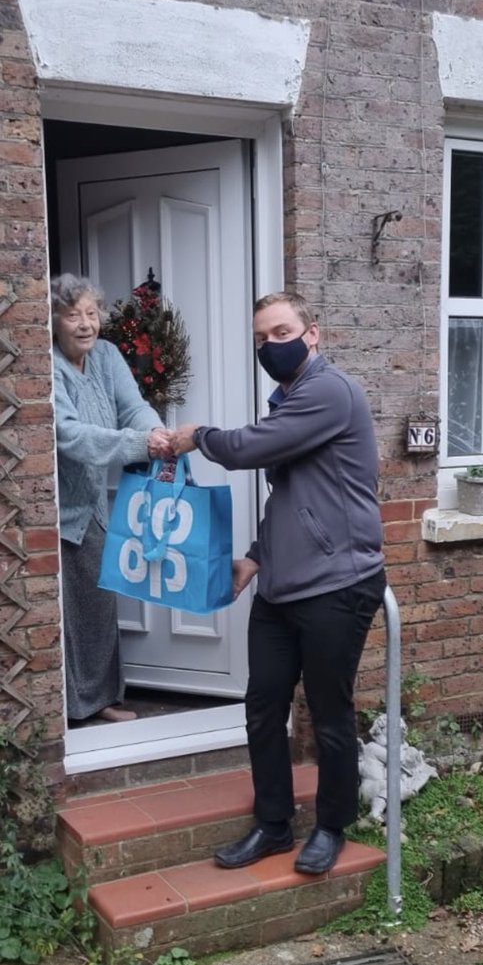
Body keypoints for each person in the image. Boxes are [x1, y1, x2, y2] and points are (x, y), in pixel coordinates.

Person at [170, 291, 386, 875]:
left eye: (282, 332)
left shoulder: (328, 392)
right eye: (261, 339)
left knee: (328, 710)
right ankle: (272, 824)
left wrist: (199, 436)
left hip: (338, 583)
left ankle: (333, 827)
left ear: (312, 333)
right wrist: (257, 556)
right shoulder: (288, 400)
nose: (272, 345)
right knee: (264, 706)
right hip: (282, 587)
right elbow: (292, 498)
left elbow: (250, 449)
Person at [52, 274, 173, 724]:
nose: (85, 324)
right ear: (54, 322)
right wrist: (139, 444)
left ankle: (100, 701)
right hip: (56, 508)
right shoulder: (48, 367)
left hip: (94, 507)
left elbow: (133, 405)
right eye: (72, 315)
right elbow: (69, 435)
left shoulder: (105, 356)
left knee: (99, 605)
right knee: (60, 615)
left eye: (91, 313)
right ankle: (64, 706)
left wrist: (154, 431)